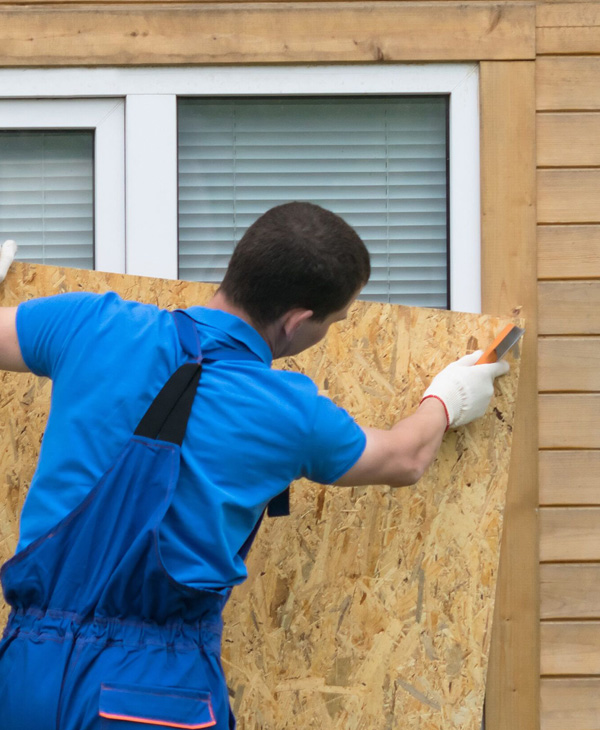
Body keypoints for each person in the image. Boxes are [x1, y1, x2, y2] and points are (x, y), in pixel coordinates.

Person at [0, 202, 508, 729]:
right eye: (331, 324)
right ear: (296, 322)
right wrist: (446, 399)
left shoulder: (89, 323)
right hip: (151, 695)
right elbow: (404, 457)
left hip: (25, 678)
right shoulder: (290, 411)